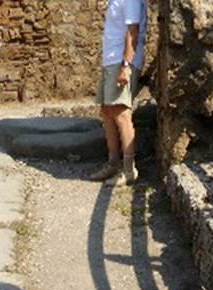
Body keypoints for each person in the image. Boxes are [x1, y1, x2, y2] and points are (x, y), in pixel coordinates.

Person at [90, 0, 147, 187]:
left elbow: (133, 31)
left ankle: (129, 169)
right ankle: (113, 164)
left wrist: (126, 66)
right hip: (111, 61)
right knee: (107, 111)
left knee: (122, 113)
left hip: (121, 63)